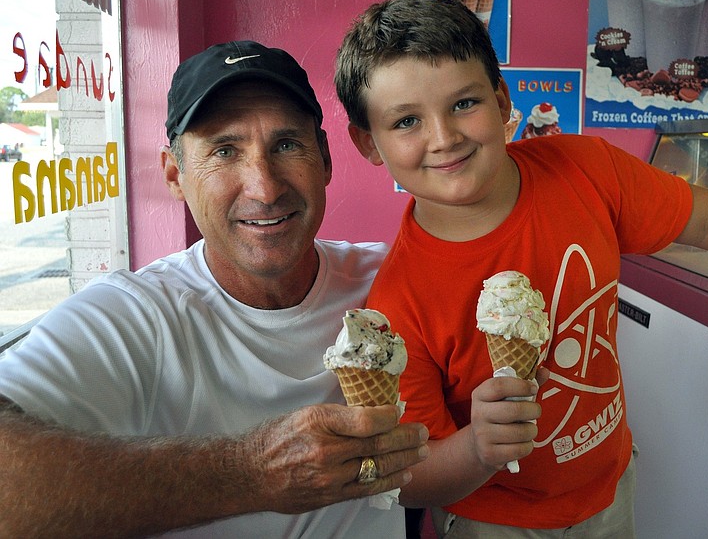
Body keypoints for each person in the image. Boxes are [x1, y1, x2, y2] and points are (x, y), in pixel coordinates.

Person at [334, 0, 708, 538]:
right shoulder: (396, 305)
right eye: (407, 121)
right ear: (369, 143)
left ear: (502, 99)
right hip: (497, 518)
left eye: (464, 103)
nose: (444, 138)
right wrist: (476, 447)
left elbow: (705, 221)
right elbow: (411, 475)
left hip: (609, 485)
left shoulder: (586, 172)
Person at [0, 40, 429, 538]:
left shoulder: (396, 277)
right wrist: (249, 473)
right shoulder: (134, 316)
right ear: (175, 174)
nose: (265, 188)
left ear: (326, 159)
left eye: (287, 145)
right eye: (225, 151)